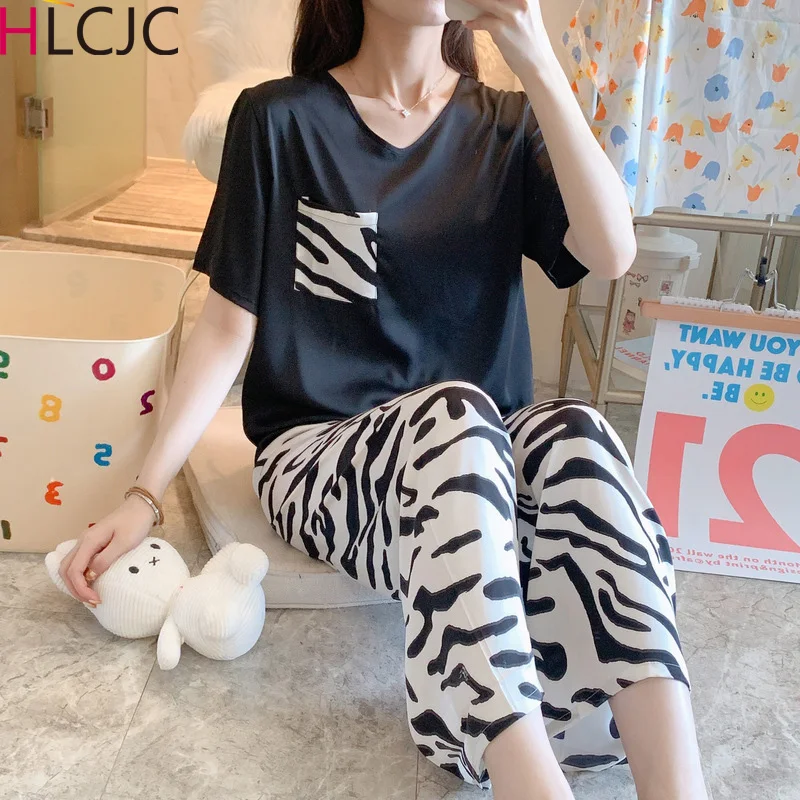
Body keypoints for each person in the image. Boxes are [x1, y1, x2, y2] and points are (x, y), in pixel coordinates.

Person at [58, 2, 709, 798]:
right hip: (323, 454)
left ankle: (680, 786)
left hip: (484, 458)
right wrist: (144, 494)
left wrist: (536, 59)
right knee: (456, 414)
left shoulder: (506, 124)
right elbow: (227, 326)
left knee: (577, 430)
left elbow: (610, 254)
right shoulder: (280, 120)